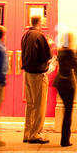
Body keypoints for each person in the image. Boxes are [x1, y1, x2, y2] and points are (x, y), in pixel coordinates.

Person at [20, 14, 52, 144]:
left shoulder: (26, 35)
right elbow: (46, 56)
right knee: (39, 105)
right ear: (40, 22)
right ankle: (35, 134)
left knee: (30, 104)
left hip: (27, 73)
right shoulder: (39, 36)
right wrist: (49, 45)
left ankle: (27, 133)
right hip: (38, 74)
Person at [53, 32, 77, 147]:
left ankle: (65, 138)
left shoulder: (60, 52)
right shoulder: (70, 53)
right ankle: (65, 139)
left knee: (66, 110)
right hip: (68, 83)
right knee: (68, 111)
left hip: (59, 82)